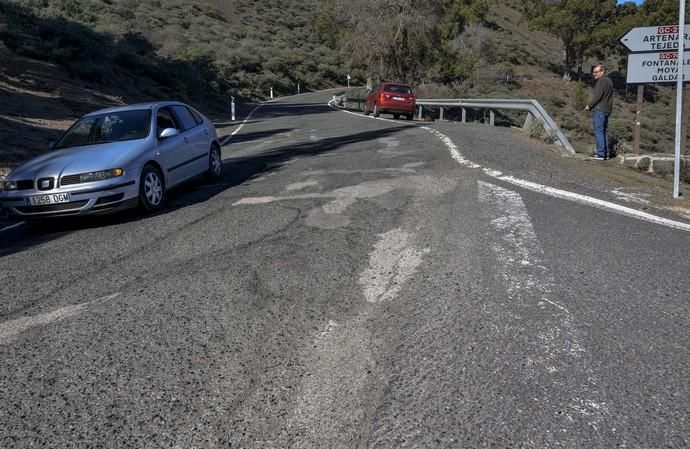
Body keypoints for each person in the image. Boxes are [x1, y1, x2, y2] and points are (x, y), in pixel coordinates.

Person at [584, 64, 614, 160]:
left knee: (599, 131)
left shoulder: (602, 81)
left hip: (599, 109)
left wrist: (589, 105)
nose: (594, 74)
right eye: (593, 72)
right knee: (604, 131)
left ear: (602, 71)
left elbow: (597, 96)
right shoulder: (609, 81)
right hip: (606, 109)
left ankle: (600, 154)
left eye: (596, 72)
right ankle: (606, 153)